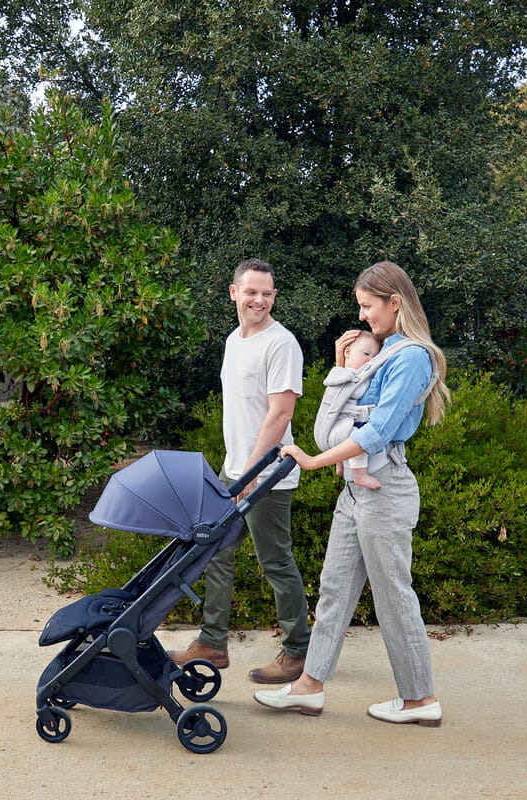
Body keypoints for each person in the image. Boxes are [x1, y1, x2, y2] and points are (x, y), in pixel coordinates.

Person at [254, 260, 450, 726]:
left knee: (393, 596)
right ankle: (309, 687)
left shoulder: (411, 357)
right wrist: (343, 367)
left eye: (367, 306)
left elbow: (377, 431)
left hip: (385, 489)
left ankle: (421, 700)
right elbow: (345, 409)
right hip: (356, 491)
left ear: (394, 302)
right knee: (335, 589)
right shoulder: (383, 354)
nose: (363, 317)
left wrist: (313, 461)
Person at [167, 258, 312, 685]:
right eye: (251, 292)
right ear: (234, 293)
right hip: (237, 471)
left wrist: (251, 472)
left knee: (275, 561)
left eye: (267, 293)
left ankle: (298, 651)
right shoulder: (234, 340)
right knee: (215, 553)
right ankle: (212, 644)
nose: (259, 300)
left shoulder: (281, 344)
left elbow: (281, 412)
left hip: (268, 475)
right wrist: (236, 470)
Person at [315, 329, 384, 490]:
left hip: (333, 427)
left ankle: (340, 464)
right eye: (366, 354)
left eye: (374, 357)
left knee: (345, 438)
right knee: (358, 438)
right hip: (338, 429)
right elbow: (359, 392)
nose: (370, 361)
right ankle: (360, 475)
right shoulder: (349, 376)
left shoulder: (338, 372)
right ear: (347, 352)